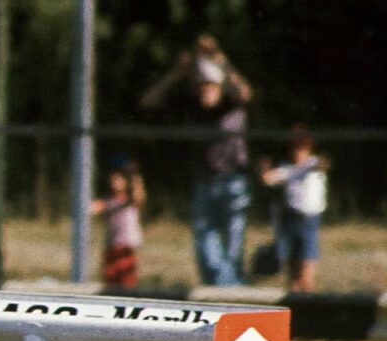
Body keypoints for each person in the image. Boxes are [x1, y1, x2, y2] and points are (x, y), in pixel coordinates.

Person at [139, 34, 253, 286]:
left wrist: (222, 62)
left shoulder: (232, 104)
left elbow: (245, 92)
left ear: (220, 86)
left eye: (210, 86)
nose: (205, 91)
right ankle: (221, 290)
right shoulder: (192, 105)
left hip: (234, 180)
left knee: (233, 246)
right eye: (201, 86)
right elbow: (149, 100)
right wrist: (177, 73)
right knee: (205, 246)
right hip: (205, 181)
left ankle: (231, 292)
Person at [260, 125, 328, 292]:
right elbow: (268, 179)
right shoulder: (287, 169)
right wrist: (263, 167)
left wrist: (317, 162)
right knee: (291, 272)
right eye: (294, 148)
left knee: (306, 270)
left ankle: (309, 304)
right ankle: (295, 304)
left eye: (301, 148)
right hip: (290, 219)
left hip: (309, 220)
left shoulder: (312, 165)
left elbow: (323, 164)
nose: (297, 152)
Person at [90, 155, 145, 289]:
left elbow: (139, 196)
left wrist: (134, 175)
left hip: (126, 248)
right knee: (110, 280)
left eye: (118, 178)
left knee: (127, 281)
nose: (114, 181)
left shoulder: (129, 200)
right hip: (112, 247)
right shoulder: (108, 199)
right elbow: (93, 208)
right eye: (112, 178)